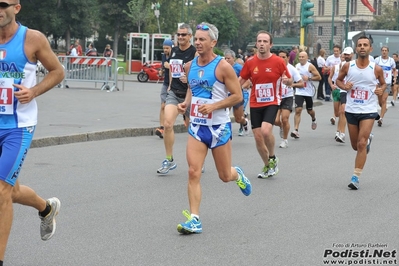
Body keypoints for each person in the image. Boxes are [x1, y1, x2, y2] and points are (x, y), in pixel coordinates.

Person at [0, 2, 64, 264]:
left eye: (3, 5)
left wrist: (33, 92)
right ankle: (46, 208)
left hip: (18, 126)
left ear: (16, 7)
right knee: (9, 190)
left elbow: (58, 71)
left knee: (1, 192)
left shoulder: (32, 39)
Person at [175, 22, 252, 234]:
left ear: (213, 42)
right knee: (193, 172)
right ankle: (195, 219)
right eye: (196, 39)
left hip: (219, 128)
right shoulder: (190, 66)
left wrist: (214, 106)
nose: (197, 43)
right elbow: (193, 88)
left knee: (224, 175)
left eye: (202, 39)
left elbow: (237, 96)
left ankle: (238, 175)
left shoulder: (223, 67)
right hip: (198, 127)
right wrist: (187, 103)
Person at [239, 30, 292, 178]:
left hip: (272, 101)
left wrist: (288, 81)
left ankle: (273, 156)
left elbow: (289, 79)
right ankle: (267, 166)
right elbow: (240, 81)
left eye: (265, 41)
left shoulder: (278, 61)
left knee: (266, 131)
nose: (262, 44)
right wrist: (230, 92)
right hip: (255, 102)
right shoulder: (250, 62)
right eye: (259, 41)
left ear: (270, 44)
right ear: (256, 44)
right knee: (257, 137)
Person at [335, 36, 385, 190]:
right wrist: (344, 87)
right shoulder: (348, 66)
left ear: (370, 49)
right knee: (355, 146)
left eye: (365, 45)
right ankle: (367, 140)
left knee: (361, 143)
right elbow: (338, 81)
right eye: (359, 45)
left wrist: (380, 90)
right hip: (352, 109)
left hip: (369, 110)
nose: (362, 47)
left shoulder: (376, 68)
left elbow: (384, 84)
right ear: (356, 49)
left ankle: (355, 177)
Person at [157, 23, 197, 175]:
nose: (180, 37)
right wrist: (169, 86)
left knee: (192, 128)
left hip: (190, 94)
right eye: (178, 34)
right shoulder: (173, 51)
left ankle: (198, 158)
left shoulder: (194, 52)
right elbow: (171, 70)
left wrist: (190, 80)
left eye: (183, 35)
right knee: (167, 124)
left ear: (190, 37)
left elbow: (199, 70)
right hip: (174, 93)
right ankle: (169, 159)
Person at [275, 50, 304, 148]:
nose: (281, 59)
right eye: (279, 57)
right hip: (276, 97)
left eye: (283, 57)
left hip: (288, 96)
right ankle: (281, 127)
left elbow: (301, 83)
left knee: (285, 118)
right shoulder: (274, 67)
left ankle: (284, 140)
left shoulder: (292, 69)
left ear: (288, 58)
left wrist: (292, 84)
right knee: (275, 120)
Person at [291, 51, 321, 139]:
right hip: (299, 91)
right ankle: (296, 130)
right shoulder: (296, 66)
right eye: (299, 57)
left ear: (307, 57)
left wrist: (309, 78)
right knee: (298, 110)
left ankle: (313, 119)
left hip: (308, 92)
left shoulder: (310, 66)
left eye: (302, 57)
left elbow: (319, 77)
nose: (301, 58)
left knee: (309, 110)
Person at [330, 48, 354, 143]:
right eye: (345, 54)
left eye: (348, 54)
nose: (346, 56)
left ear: (352, 54)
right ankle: (339, 132)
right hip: (343, 90)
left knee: (343, 112)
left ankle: (341, 133)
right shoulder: (342, 65)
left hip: (353, 91)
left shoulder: (356, 64)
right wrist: (342, 86)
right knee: (340, 112)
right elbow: (338, 79)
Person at [224, 49, 249, 136]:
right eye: (225, 58)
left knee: (238, 118)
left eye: (228, 58)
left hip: (237, 95)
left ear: (233, 58)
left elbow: (247, 81)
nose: (226, 60)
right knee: (224, 113)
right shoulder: (222, 67)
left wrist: (239, 87)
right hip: (226, 95)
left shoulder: (239, 68)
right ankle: (226, 132)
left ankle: (244, 122)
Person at [155, 39, 173, 139]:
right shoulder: (163, 56)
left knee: (174, 108)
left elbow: (179, 69)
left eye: (167, 48)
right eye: (164, 48)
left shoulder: (174, 56)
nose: (165, 50)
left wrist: (169, 66)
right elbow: (163, 67)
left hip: (174, 85)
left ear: (171, 47)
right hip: (165, 83)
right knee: (163, 106)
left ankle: (169, 126)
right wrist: (161, 71)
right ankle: (162, 127)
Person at [374, 46, 396, 126]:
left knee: (384, 100)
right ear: (381, 51)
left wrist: (395, 78)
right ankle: (384, 108)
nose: (384, 52)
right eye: (383, 50)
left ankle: (381, 118)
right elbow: (373, 70)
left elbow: (394, 70)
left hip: (387, 83)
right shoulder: (377, 60)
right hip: (378, 82)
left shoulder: (391, 60)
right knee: (380, 101)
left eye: (385, 50)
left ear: (388, 52)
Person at [328, 53, 345, 128]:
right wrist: (331, 85)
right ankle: (335, 116)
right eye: (342, 56)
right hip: (336, 90)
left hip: (344, 90)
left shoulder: (349, 67)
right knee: (337, 112)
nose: (343, 58)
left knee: (342, 110)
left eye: (345, 57)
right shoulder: (335, 67)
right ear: (340, 58)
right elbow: (330, 77)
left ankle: (340, 130)